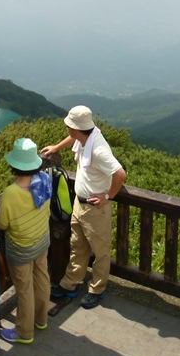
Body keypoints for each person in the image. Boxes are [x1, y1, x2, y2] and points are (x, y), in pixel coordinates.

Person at [40, 105, 127, 309]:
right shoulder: (86, 137)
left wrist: (108, 196)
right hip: (80, 204)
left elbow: (120, 174)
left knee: (100, 251)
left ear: (76, 128)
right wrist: (56, 148)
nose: (68, 129)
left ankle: (97, 289)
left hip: (95, 209)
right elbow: (74, 138)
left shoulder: (97, 149)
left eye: (69, 125)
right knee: (77, 246)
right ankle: (70, 284)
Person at [0, 138, 52, 345]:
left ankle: (24, 333)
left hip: (21, 248)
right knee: (42, 278)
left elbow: (3, 224)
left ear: (14, 165)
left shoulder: (11, 193)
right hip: (42, 239)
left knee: (25, 289)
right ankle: (41, 319)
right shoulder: (45, 179)